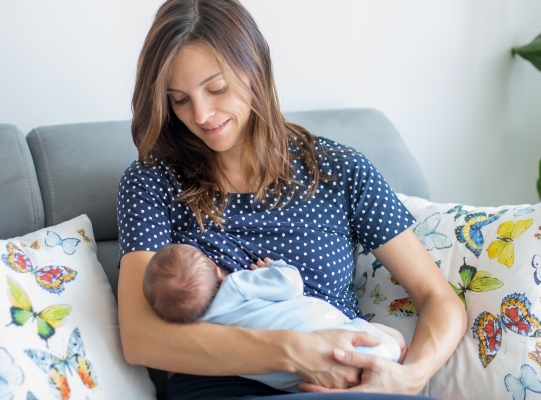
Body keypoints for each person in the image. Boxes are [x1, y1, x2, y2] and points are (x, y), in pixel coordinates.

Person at [117, 0, 467, 398]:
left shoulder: (339, 171)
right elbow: (140, 337)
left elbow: (439, 298)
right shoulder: (152, 182)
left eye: (216, 88)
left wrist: (411, 376)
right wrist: (293, 351)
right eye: (179, 99)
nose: (201, 114)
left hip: (348, 385)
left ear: (254, 69)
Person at [142, 241, 406, 392]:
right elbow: (291, 284)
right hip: (352, 342)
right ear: (216, 271)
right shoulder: (236, 285)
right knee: (393, 336)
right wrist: (272, 267)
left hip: (306, 383)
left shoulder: (205, 331)